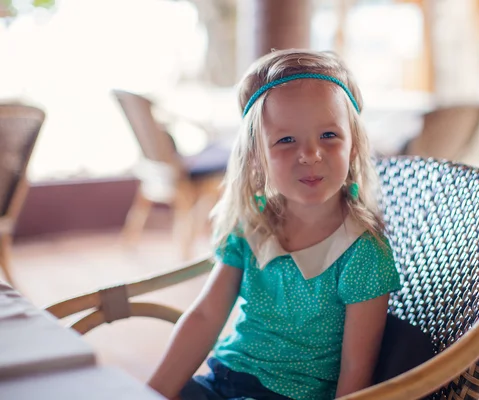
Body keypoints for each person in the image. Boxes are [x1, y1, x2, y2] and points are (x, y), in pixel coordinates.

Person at [147, 49, 400, 400]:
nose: (310, 154)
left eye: (329, 135)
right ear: (256, 157)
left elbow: (357, 369)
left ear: (353, 146)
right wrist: (151, 393)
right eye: (285, 140)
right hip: (222, 380)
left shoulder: (361, 250)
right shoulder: (252, 223)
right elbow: (206, 316)